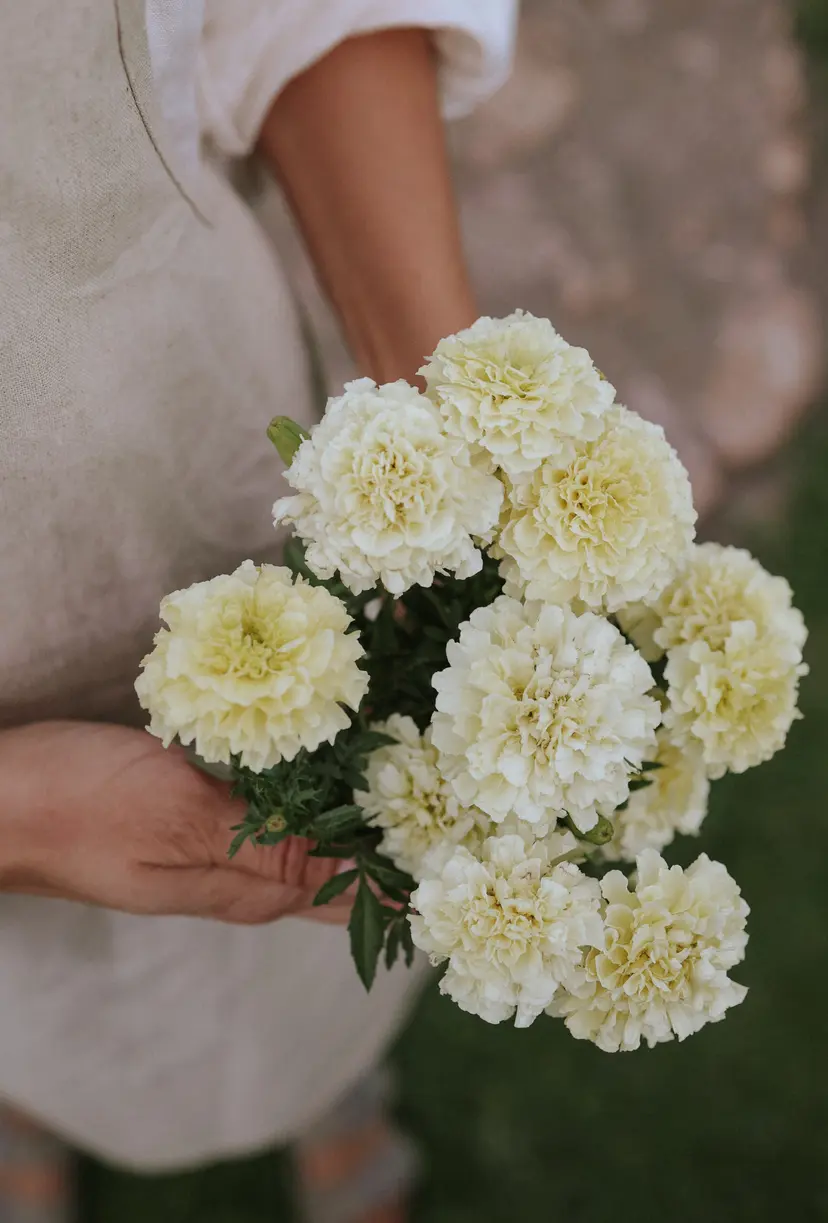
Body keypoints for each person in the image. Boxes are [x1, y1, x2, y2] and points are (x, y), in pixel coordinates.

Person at [0, 1, 517, 1218]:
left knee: (309, 869)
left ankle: (321, 1083)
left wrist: (447, 412)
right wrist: (15, 821)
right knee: (32, 985)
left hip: (196, 446)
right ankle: (26, 1094)